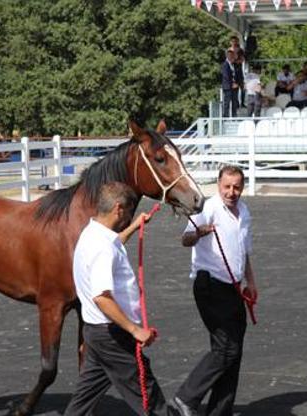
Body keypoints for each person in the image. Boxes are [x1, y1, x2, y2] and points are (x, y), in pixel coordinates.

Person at [64, 182, 170, 416]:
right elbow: (102, 297)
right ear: (119, 208)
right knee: (149, 398)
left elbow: (114, 245)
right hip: (113, 335)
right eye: (129, 212)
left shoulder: (92, 233)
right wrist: (135, 330)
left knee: (84, 398)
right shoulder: (103, 248)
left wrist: (134, 226)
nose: (128, 216)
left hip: (96, 333)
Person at [171, 166, 257, 416]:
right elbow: (185, 239)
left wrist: (251, 282)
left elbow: (245, 251)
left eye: (237, 187)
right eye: (227, 186)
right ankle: (186, 397)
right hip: (210, 284)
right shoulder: (208, 208)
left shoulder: (244, 212)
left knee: (234, 350)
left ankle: (220, 411)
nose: (232, 192)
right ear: (219, 185)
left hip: (233, 287)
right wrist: (198, 233)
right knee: (226, 348)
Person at [221, 50, 239, 118]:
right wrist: (232, 84)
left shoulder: (234, 64)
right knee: (227, 102)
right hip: (228, 87)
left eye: (232, 55)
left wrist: (236, 83)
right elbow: (226, 76)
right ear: (227, 56)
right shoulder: (225, 64)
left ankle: (234, 115)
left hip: (234, 87)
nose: (232, 57)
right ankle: (226, 116)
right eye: (230, 55)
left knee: (234, 102)